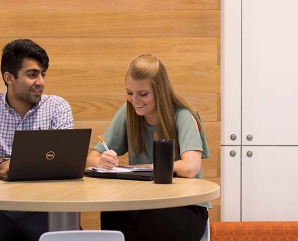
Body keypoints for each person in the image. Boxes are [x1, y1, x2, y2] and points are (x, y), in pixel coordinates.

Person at [0, 39, 74, 241]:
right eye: (32, 74)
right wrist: (3, 164)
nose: (41, 82)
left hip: (43, 207)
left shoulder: (57, 107)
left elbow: (63, 163)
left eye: (42, 74)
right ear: (9, 77)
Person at [86, 54, 210, 241]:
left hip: (185, 205)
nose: (135, 100)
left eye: (143, 94)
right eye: (129, 93)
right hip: (142, 201)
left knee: (152, 223)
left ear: (160, 91)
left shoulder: (183, 115)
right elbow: (90, 159)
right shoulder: (128, 112)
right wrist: (102, 161)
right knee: (112, 214)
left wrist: (148, 167)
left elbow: (190, 167)